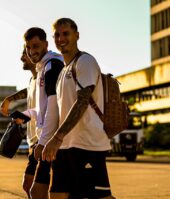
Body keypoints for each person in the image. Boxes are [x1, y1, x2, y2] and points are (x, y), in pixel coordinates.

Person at [41, 18, 116, 199]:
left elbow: (82, 102)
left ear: (77, 35)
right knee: (57, 195)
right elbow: (58, 112)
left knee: (99, 197)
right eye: (57, 35)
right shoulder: (63, 71)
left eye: (66, 33)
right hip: (65, 146)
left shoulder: (85, 62)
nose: (61, 38)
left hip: (86, 144)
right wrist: (46, 140)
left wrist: (56, 138)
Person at [24, 27, 63, 199]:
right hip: (49, 139)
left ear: (46, 44)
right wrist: (24, 115)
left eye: (36, 46)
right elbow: (43, 109)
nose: (32, 51)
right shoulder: (43, 68)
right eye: (28, 47)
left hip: (56, 141)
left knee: (41, 192)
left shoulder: (52, 66)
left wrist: (43, 141)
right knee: (41, 191)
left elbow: (54, 107)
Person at [0, 48, 38, 198]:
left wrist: (24, 115)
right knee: (29, 186)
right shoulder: (33, 80)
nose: (22, 58)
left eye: (25, 53)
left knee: (36, 188)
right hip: (33, 140)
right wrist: (9, 99)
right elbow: (29, 90)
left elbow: (47, 109)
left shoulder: (47, 75)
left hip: (44, 139)